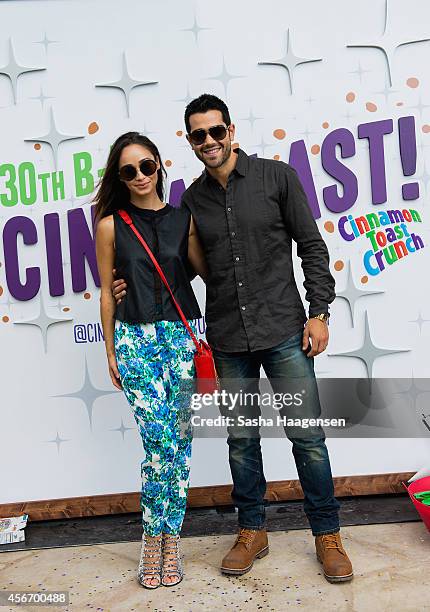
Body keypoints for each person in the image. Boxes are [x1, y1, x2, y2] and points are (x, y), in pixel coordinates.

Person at [112, 96, 353, 583]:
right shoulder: (190, 204)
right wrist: (125, 283)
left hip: (285, 330)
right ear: (189, 141)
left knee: (307, 438)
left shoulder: (276, 178)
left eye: (215, 131)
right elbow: (175, 266)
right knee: (242, 442)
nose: (209, 141)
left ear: (231, 130)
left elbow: (311, 246)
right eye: (198, 135)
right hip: (225, 339)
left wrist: (320, 312)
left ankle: (327, 536)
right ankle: (252, 531)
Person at [94, 132, 207, 589]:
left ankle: (171, 539)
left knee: (180, 441)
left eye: (146, 166)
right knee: (158, 442)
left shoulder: (185, 220)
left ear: (160, 166)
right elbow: (107, 290)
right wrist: (109, 350)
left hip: (181, 338)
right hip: (135, 338)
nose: (139, 176)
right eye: (128, 170)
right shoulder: (110, 225)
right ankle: (150, 537)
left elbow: (203, 271)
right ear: (119, 177)